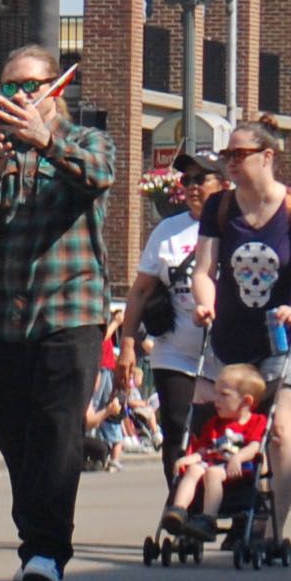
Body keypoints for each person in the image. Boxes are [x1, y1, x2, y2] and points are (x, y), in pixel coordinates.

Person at [0, 44, 115, 581]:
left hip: (70, 309)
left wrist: (46, 142)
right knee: (13, 433)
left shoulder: (87, 141)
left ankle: (47, 548)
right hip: (7, 313)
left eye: (29, 86)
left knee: (58, 431)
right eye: (10, 88)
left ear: (56, 87)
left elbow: (97, 177)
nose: (19, 96)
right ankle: (35, 537)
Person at [190, 117, 291, 555]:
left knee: (280, 431)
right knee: (223, 428)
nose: (230, 163)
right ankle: (221, 511)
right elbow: (203, 271)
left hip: (287, 339)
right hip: (233, 339)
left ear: (267, 157)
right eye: (227, 156)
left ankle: (273, 526)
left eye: (239, 154)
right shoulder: (220, 208)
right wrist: (204, 301)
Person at [119, 149, 230, 486]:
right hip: (175, 350)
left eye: (201, 179)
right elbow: (139, 291)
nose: (192, 187)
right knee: (178, 429)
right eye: (186, 180)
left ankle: (222, 504)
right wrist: (127, 345)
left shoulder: (237, 227)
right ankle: (181, 510)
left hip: (226, 353)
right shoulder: (167, 231)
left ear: (224, 184)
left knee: (222, 432)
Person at [160, 363, 268, 540]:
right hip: (214, 461)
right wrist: (191, 458)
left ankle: (208, 520)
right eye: (216, 393)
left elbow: (255, 446)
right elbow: (205, 449)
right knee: (194, 470)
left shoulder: (255, 422)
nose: (216, 399)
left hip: (239, 467)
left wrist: (238, 458)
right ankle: (178, 511)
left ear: (246, 401)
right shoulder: (214, 423)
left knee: (212, 473)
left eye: (224, 395)